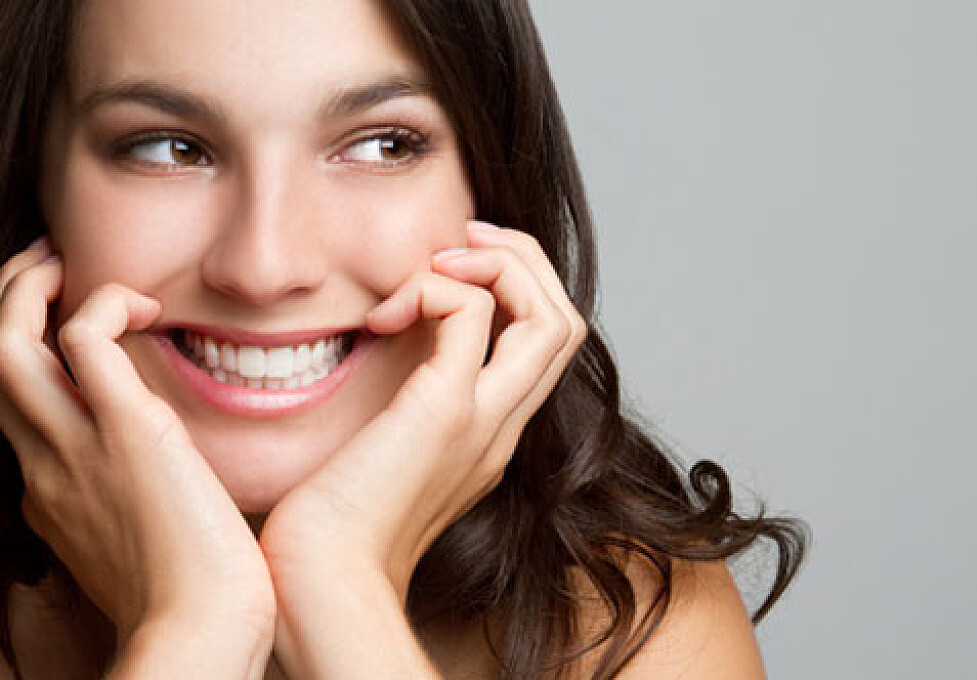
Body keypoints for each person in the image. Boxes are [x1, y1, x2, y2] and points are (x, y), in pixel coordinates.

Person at [0, 1, 807, 678]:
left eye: (383, 144)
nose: (265, 267)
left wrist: (340, 597)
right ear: (37, 183)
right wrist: (188, 630)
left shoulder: (633, 634)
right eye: (169, 148)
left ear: (489, 192)